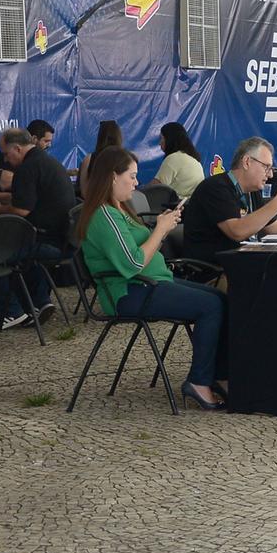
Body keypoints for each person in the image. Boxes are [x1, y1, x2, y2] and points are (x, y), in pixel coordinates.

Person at [78, 147, 228, 410]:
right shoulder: (104, 215)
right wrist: (160, 230)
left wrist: (163, 228)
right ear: (113, 177)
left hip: (150, 282)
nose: (137, 183)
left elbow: (143, 252)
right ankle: (199, 381)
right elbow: (133, 262)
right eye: (132, 176)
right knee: (211, 305)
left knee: (220, 298)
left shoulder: (119, 209)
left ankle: (218, 375)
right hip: (128, 293)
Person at [0, 128, 76, 328]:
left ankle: (10, 311)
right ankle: (39, 302)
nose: (5, 159)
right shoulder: (47, 162)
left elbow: (21, 210)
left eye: (6, 154)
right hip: (65, 242)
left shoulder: (27, 168)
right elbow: (32, 197)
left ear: (18, 149)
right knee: (22, 251)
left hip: (48, 242)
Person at [182, 137, 277, 264]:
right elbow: (237, 231)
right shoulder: (216, 187)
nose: (270, 175)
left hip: (243, 263)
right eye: (266, 167)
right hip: (214, 270)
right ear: (247, 162)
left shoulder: (251, 191)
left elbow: (274, 228)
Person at [0, 119, 54, 191]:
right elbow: (7, 183)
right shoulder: (10, 155)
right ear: (34, 139)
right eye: (46, 141)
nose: (49, 145)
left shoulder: (39, 159)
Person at [149, 122, 204, 197]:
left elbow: (154, 188)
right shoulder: (195, 161)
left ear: (169, 139)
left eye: (161, 138)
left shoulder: (173, 158)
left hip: (177, 204)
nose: (159, 143)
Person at [78, 120, 123, 195]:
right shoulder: (125, 159)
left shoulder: (89, 159)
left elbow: (84, 191)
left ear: (100, 137)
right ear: (118, 136)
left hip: (94, 199)